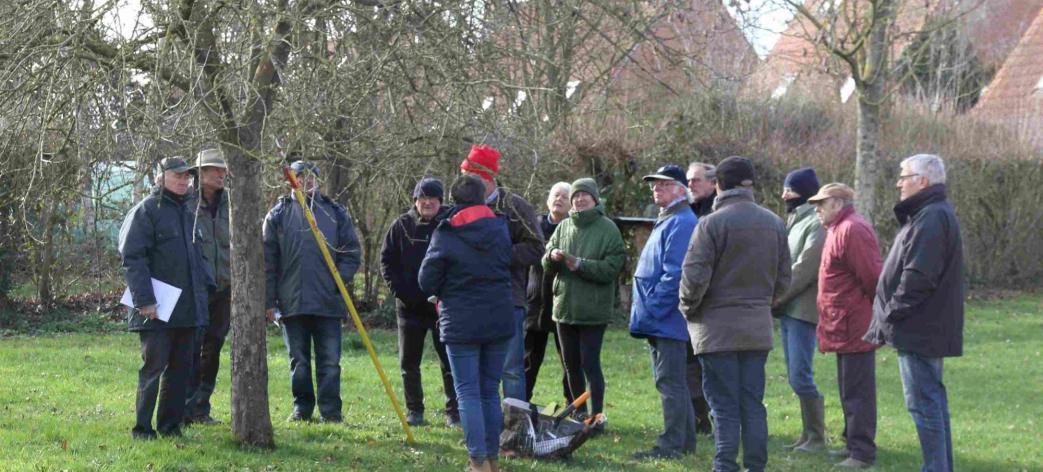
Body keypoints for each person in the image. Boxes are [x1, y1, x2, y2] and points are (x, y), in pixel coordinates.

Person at [679, 156, 791, 472]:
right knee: (752, 404)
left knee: (723, 406)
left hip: (715, 331)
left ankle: (725, 465)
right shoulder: (775, 223)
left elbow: (693, 279)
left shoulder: (710, 224)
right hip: (757, 329)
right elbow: (784, 279)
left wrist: (688, 310)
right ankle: (756, 466)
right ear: (750, 183)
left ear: (718, 185)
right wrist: (763, 305)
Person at [865, 154, 964, 472]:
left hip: (919, 327)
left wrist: (890, 313)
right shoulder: (928, 213)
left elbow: (918, 277)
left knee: (924, 405)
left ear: (922, 181)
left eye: (903, 176)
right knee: (931, 402)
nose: (898, 183)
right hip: (923, 326)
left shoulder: (931, 216)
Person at [419, 174, 515, 472]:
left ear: (453, 199)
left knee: (468, 392)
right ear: (483, 197)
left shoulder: (447, 232)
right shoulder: (501, 228)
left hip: (460, 320)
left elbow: (426, 279)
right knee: (490, 391)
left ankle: (477, 461)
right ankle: (492, 459)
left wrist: (444, 288)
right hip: (499, 317)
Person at [119, 156, 214, 440]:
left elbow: (199, 261)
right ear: (160, 178)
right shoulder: (145, 211)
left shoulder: (190, 212)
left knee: (180, 371)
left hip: (187, 309)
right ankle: (142, 429)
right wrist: (144, 301)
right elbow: (132, 258)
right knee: (153, 368)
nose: (184, 181)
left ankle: (171, 428)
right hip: (155, 308)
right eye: (177, 176)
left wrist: (204, 296)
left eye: (187, 176)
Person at [263, 160, 362, 423]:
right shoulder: (277, 215)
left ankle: (331, 412)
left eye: (311, 176)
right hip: (292, 302)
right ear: (290, 179)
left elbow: (352, 253)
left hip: (328, 302)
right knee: (299, 361)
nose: (306, 181)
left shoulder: (334, 213)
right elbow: (267, 262)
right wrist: (269, 302)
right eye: (300, 176)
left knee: (330, 361)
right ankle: (302, 409)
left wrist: (336, 281)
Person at [459, 144, 544, 402]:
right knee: (477, 369)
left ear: (486, 178)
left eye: (468, 177)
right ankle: (484, 418)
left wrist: (500, 255)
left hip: (509, 299)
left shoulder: (515, 207)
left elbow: (536, 247)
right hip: (471, 299)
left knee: (511, 369)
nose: (464, 183)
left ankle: (514, 420)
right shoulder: (461, 207)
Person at [808, 183, 883, 469]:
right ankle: (852, 444)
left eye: (821, 203)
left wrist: (874, 317)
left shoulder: (852, 230)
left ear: (838, 204)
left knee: (857, 393)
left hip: (855, 325)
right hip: (842, 324)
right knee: (848, 389)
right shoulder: (837, 229)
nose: (817, 209)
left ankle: (862, 453)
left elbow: (873, 278)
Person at [542, 178, 626, 428]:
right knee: (570, 365)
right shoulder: (564, 226)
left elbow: (612, 268)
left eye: (584, 195)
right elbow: (545, 262)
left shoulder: (608, 229)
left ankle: (596, 416)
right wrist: (552, 256)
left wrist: (580, 265)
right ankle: (579, 414)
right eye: (576, 196)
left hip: (593, 310)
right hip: (564, 307)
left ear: (594, 199)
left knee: (590, 364)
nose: (579, 200)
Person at [629, 164, 699, 460]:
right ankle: (685, 442)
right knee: (673, 382)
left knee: (670, 383)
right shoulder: (670, 218)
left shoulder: (681, 221)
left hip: (666, 318)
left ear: (681, 190)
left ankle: (671, 446)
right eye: (655, 184)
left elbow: (675, 274)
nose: (656, 188)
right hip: (660, 317)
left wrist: (653, 309)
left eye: (664, 184)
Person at [380, 177, 459, 428]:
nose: (427, 202)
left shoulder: (450, 225)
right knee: (409, 363)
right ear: (415, 201)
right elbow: (387, 262)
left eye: (433, 198)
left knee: (449, 361)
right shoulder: (401, 226)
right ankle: (414, 410)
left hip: (442, 307)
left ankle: (454, 412)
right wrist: (401, 293)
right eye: (423, 198)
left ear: (440, 201)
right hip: (409, 308)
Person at [774, 167, 827, 453]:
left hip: (802, 311)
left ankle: (816, 436)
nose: (785, 195)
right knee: (796, 375)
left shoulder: (815, 224)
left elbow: (804, 269)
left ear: (805, 192)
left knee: (800, 375)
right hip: (789, 308)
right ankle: (808, 435)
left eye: (790, 189)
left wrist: (776, 298)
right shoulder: (795, 220)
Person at [184, 148, 231, 425]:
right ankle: (185, 408)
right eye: (215, 169)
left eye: (223, 170)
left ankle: (201, 408)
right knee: (191, 350)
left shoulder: (232, 205)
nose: (220, 174)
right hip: (196, 290)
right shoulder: (186, 204)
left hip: (224, 290)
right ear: (200, 174)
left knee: (213, 350)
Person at [524, 182, 573, 405]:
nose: (559, 199)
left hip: (564, 303)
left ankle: (574, 407)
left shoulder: (574, 229)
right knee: (527, 360)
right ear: (547, 199)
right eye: (555, 195)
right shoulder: (533, 226)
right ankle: (520, 406)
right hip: (534, 303)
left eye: (564, 196)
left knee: (570, 361)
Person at [685, 161, 717, 434]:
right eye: (688, 180)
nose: (690, 185)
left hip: (711, 301)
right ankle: (699, 418)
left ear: (713, 183)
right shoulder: (688, 211)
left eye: (696, 180)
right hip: (691, 298)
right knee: (690, 363)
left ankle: (712, 418)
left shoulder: (716, 213)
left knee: (707, 365)